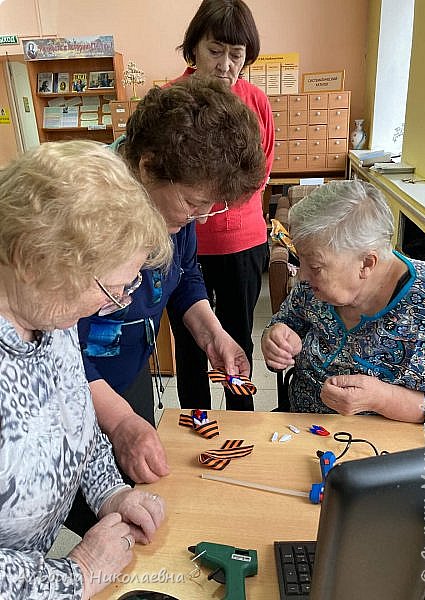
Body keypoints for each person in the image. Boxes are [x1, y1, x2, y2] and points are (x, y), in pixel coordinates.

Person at [67, 76, 265, 535]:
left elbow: (184, 278)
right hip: (77, 391)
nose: (199, 216)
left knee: (133, 504)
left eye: (211, 207)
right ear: (148, 165)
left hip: (126, 376)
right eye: (195, 203)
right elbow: (56, 346)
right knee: (93, 516)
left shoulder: (174, 205)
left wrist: (212, 333)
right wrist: (117, 423)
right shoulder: (84, 217)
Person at [0, 140, 172, 599]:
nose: (116, 303)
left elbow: (75, 421)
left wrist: (111, 494)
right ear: (36, 264)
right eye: (112, 288)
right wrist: (78, 572)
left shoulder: (49, 314)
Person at [261, 180, 425, 443]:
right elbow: (288, 319)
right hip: (300, 432)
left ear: (366, 264)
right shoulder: (314, 286)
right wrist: (276, 336)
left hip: (377, 454)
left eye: (314, 267)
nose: (302, 276)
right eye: (300, 260)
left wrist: (383, 398)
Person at [168, 0, 275, 411]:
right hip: (180, 243)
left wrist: (221, 199)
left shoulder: (256, 102)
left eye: (237, 55)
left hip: (240, 242)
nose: (226, 65)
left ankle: (240, 419)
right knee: (190, 342)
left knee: (237, 335)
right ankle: (196, 423)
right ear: (193, 48)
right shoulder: (169, 102)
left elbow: (262, 168)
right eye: (216, 51)